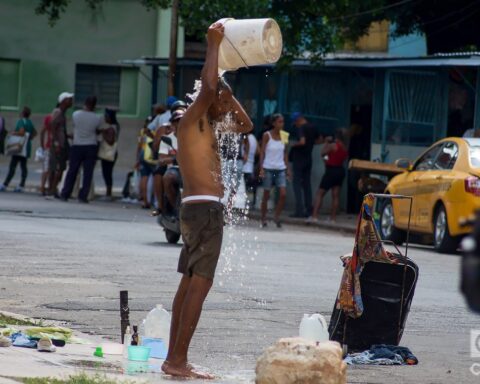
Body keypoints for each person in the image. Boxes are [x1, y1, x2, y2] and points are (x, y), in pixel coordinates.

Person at [162, 22, 252, 379]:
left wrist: (228, 97)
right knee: (200, 284)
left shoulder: (209, 126)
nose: (227, 107)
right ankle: (178, 361)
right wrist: (213, 44)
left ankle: (173, 358)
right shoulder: (192, 122)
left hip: (199, 211)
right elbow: (210, 87)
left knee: (188, 282)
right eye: (222, 101)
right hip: (203, 211)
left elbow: (246, 125)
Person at [60, 96, 101, 202]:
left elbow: (75, 127)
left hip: (77, 145)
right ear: (94, 105)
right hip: (91, 145)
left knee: (72, 170)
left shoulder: (76, 114)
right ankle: (83, 196)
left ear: (85, 103)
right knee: (88, 173)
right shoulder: (97, 118)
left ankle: (65, 193)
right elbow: (96, 130)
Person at [308, 128, 349, 223]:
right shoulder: (345, 147)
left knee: (320, 193)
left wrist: (326, 142)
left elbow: (322, 153)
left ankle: (314, 216)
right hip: (340, 170)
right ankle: (333, 218)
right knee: (335, 195)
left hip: (331, 170)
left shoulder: (333, 145)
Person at [259, 113, 290, 228]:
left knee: (283, 194)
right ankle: (263, 218)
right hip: (268, 167)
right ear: (273, 123)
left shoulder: (284, 135)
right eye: (279, 122)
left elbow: (285, 153)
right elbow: (262, 151)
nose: (282, 124)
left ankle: (276, 216)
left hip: (280, 168)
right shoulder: (266, 135)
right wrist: (261, 167)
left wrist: (288, 169)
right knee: (266, 194)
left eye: (283, 122)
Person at [0, 107, 37, 192]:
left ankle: (5, 184)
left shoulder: (21, 121)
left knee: (13, 166)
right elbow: (34, 133)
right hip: (26, 147)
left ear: (23, 113)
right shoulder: (30, 122)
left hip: (19, 147)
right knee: (23, 166)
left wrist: (13, 133)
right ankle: (21, 185)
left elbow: (21, 132)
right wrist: (29, 138)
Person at [289, 112, 318, 218]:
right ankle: (309, 210)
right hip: (308, 158)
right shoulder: (313, 127)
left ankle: (299, 211)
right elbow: (319, 140)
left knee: (296, 184)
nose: (295, 125)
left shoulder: (301, 128)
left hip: (299, 159)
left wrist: (293, 144)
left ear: (298, 120)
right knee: (307, 185)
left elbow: (302, 142)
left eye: (295, 123)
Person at [48, 92, 74, 198]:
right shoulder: (58, 112)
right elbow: (53, 126)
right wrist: (56, 142)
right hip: (58, 145)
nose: (71, 102)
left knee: (58, 167)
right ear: (63, 101)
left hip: (62, 143)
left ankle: (53, 189)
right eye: (69, 100)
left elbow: (58, 129)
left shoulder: (61, 113)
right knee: (59, 167)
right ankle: (52, 189)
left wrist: (66, 135)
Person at [161, 109, 183, 212]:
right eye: (177, 121)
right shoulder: (167, 139)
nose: (179, 123)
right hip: (175, 169)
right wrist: (174, 160)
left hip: (190, 170)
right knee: (168, 178)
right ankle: (176, 208)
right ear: (173, 123)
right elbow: (162, 160)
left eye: (181, 120)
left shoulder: (191, 137)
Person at [220, 132, 249, 213]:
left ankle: (228, 208)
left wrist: (246, 153)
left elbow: (247, 141)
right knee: (225, 184)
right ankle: (222, 206)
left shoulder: (240, 130)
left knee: (234, 187)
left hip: (238, 160)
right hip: (225, 159)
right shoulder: (225, 128)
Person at [99, 108, 120, 200]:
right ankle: (108, 192)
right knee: (108, 172)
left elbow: (110, 141)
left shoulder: (111, 128)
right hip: (112, 153)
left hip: (109, 153)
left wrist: (104, 134)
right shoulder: (115, 126)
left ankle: (108, 193)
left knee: (107, 172)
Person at [39, 105, 58, 196]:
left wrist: (42, 144)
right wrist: (42, 144)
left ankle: (44, 187)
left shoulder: (50, 118)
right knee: (50, 168)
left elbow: (43, 131)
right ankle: (47, 187)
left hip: (50, 146)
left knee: (48, 168)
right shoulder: (54, 118)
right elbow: (43, 131)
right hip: (51, 146)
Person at [242, 127, 259, 208]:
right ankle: (252, 204)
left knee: (243, 186)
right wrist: (251, 157)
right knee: (251, 186)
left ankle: (243, 204)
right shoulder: (254, 138)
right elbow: (258, 151)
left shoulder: (245, 138)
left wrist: (246, 155)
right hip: (251, 165)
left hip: (244, 164)